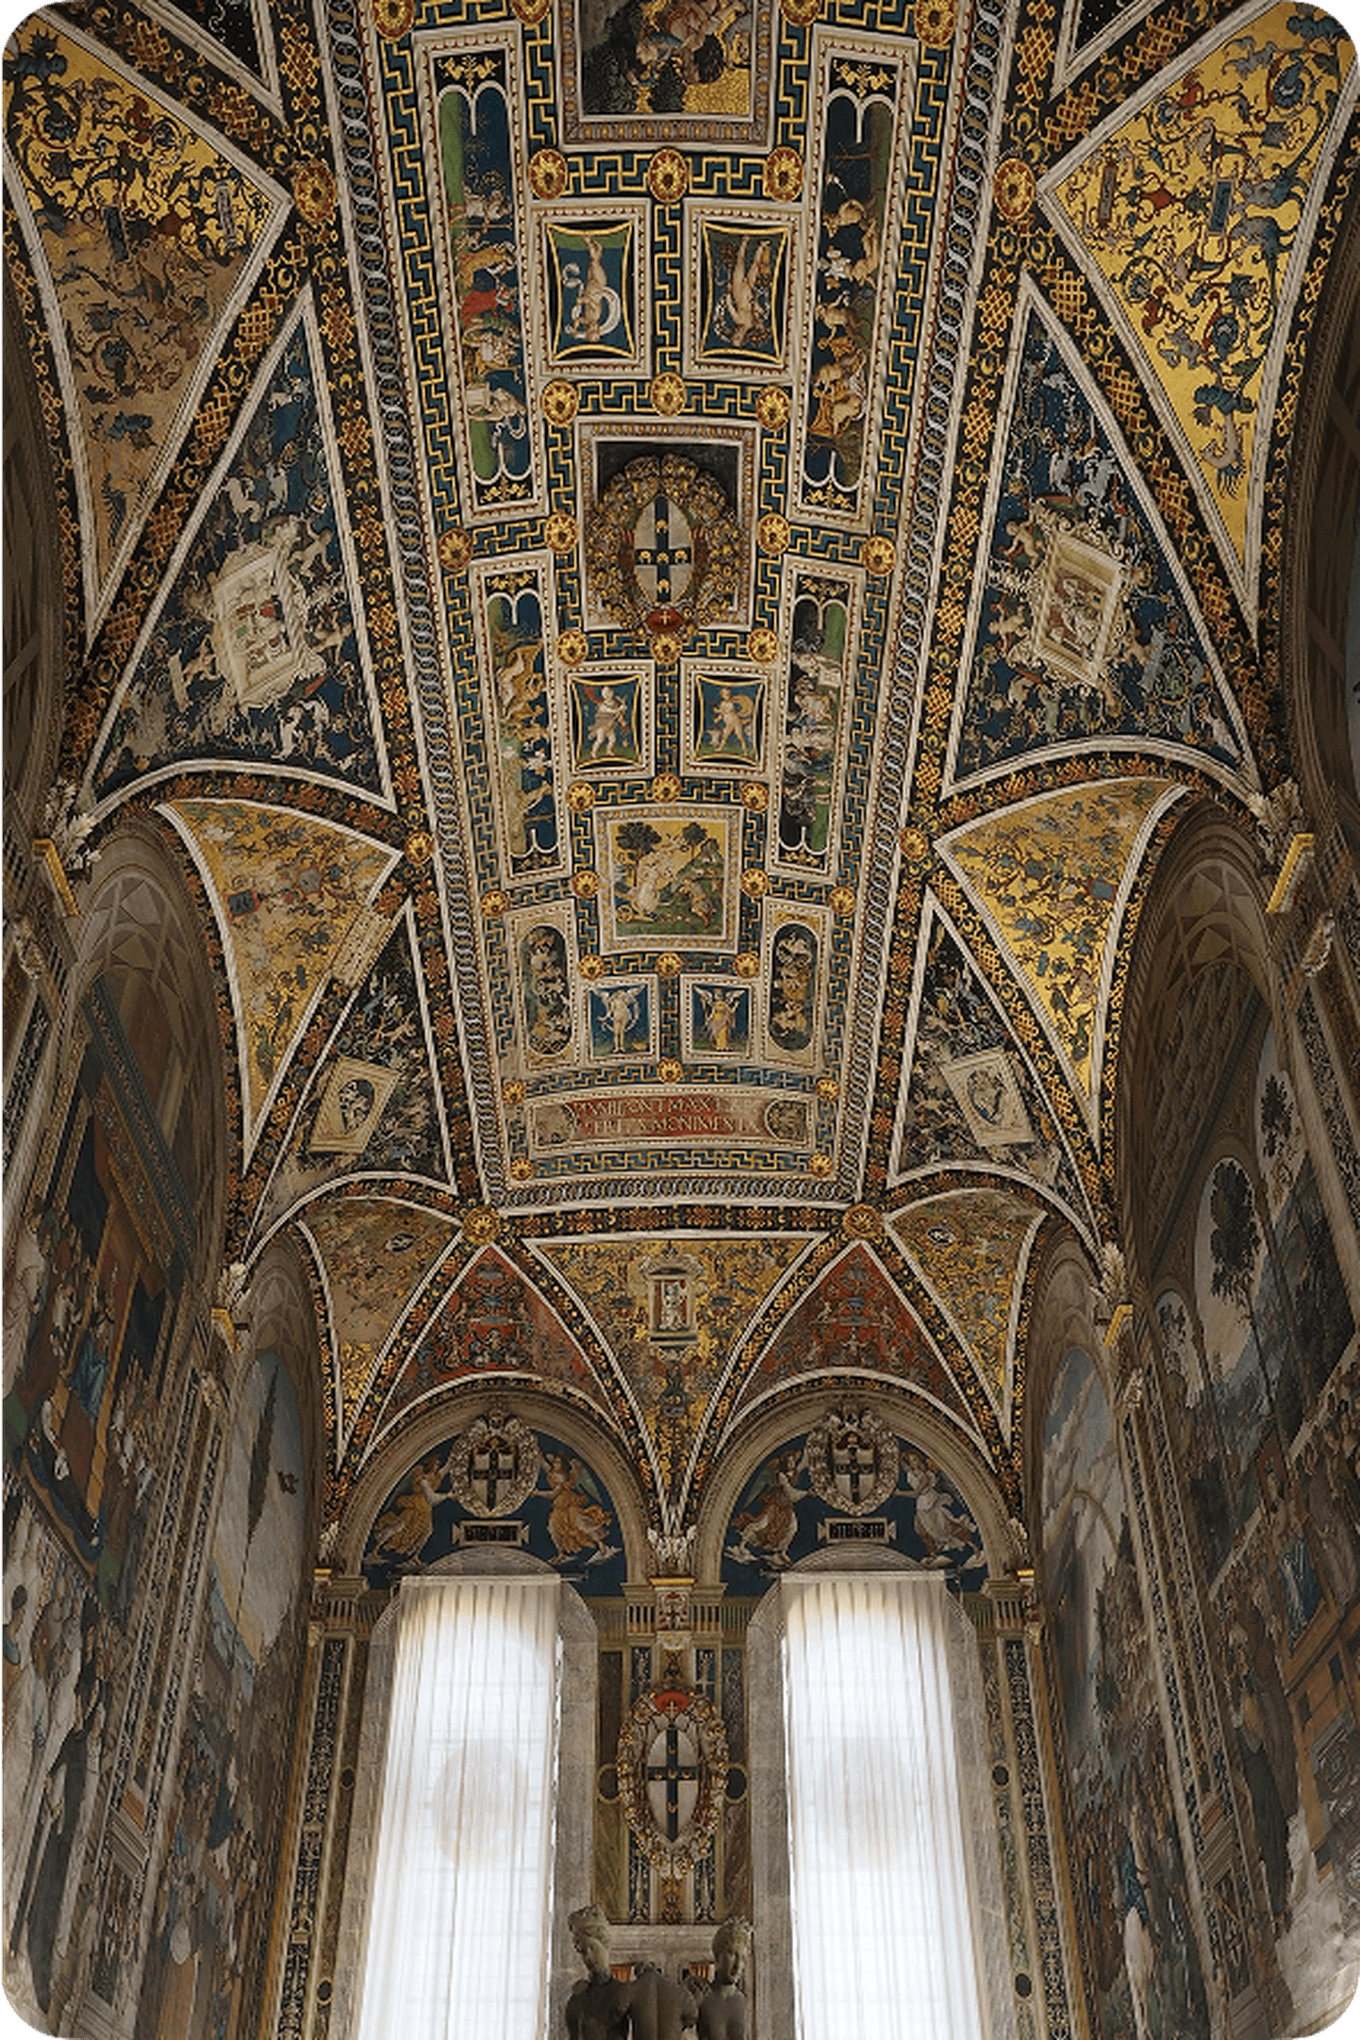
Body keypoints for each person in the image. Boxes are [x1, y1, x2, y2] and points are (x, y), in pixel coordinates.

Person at [698, 1918, 751, 2040]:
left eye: (742, 1958)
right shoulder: (701, 1998)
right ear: (717, 1956)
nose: (737, 1965)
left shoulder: (745, 2003)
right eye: (732, 1954)